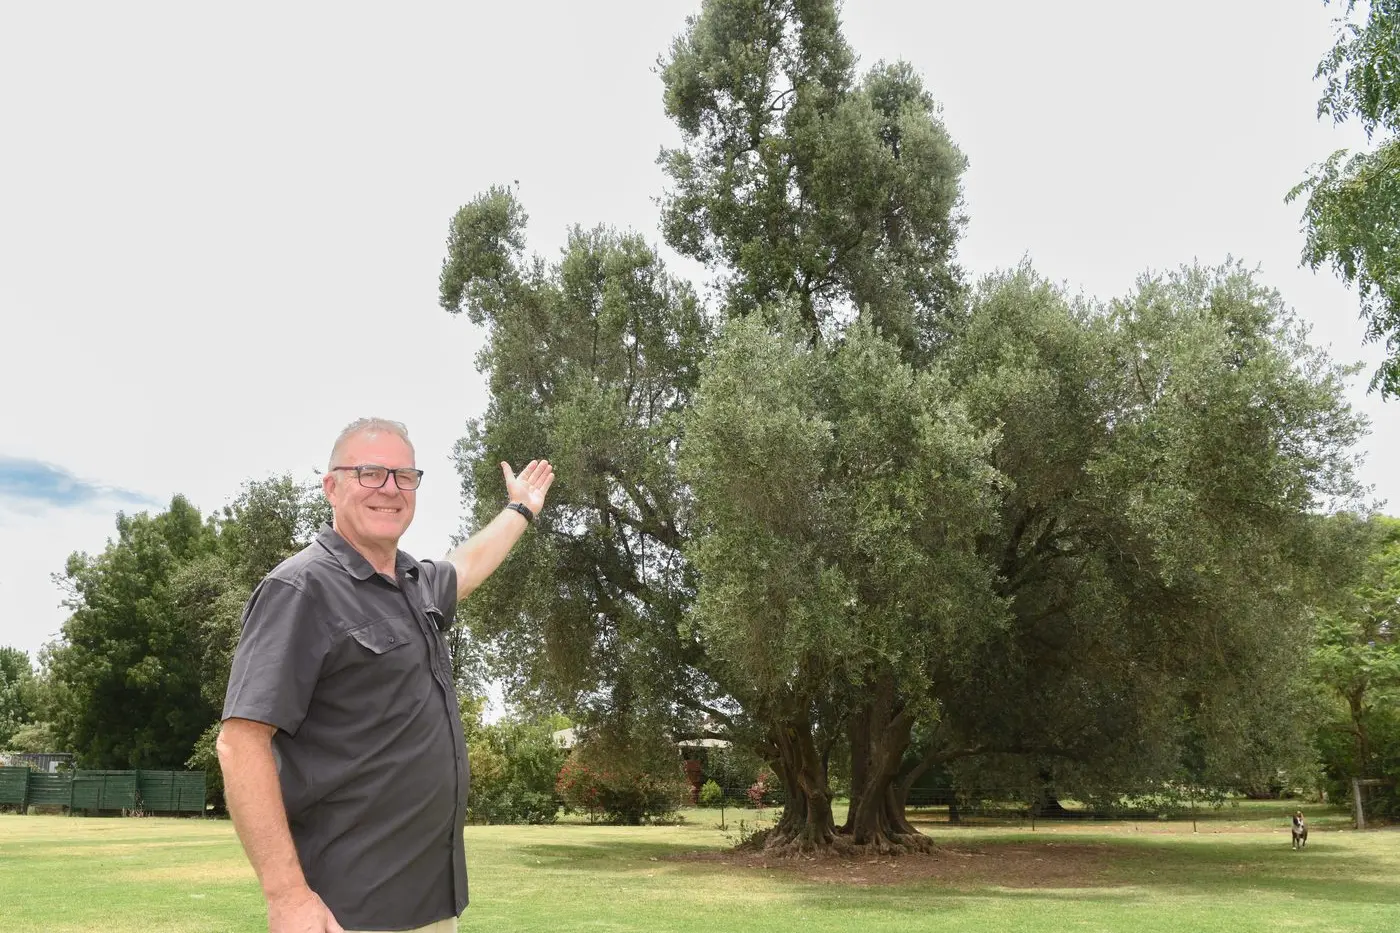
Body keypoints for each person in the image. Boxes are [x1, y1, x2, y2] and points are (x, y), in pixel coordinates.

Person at [217, 417, 554, 933]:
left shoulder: (414, 584)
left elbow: (468, 564)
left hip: (431, 907)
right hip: (348, 911)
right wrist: (286, 896)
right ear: (331, 486)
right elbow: (241, 744)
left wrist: (521, 509)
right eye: (370, 473)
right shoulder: (301, 588)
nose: (390, 490)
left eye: (404, 476)